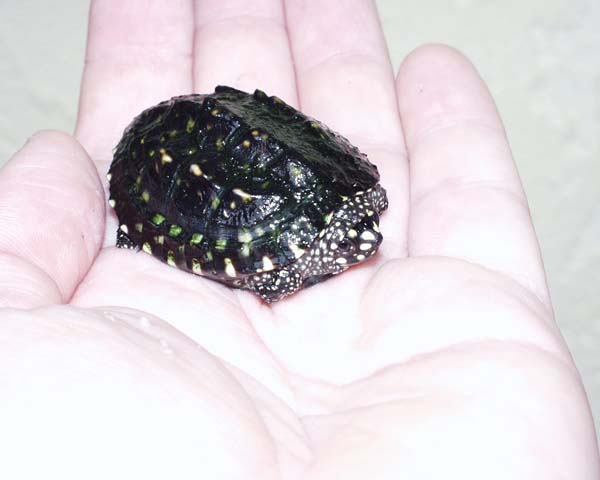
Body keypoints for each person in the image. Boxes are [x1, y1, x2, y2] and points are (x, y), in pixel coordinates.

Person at [0, 1, 598, 478]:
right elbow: (278, 272)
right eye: (355, 240)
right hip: (161, 162)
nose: (367, 243)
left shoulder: (354, 203)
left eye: (363, 237)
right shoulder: (285, 256)